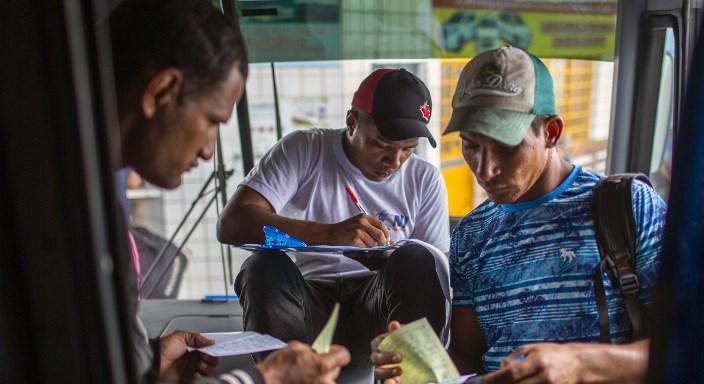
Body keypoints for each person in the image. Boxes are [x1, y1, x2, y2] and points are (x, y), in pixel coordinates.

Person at [371, 46, 667, 383]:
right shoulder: (472, 233)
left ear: (551, 132)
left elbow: (688, 346)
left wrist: (583, 363)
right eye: (471, 145)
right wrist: (413, 366)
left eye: (505, 147)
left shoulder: (627, 207)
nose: (485, 170)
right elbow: (469, 357)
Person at [109, 0, 350, 382]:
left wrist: (149, 364)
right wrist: (264, 379)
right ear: (161, 92)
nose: (208, 151)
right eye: (211, 121)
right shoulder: (71, 223)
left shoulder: (98, 204)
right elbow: (236, 222)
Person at [217, 68, 451, 365]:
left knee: (419, 258)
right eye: (381, 145)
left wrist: (386, 260)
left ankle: (409, 375)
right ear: (352, 122)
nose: (394, 162)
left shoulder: (424, 178)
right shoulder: (305, 149)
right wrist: (327, 234)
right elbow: (233, 223)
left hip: (378, 309)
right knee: (262, 265)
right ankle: (290, 375)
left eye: (407, 149)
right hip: (306, 304)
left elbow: (439, 276)